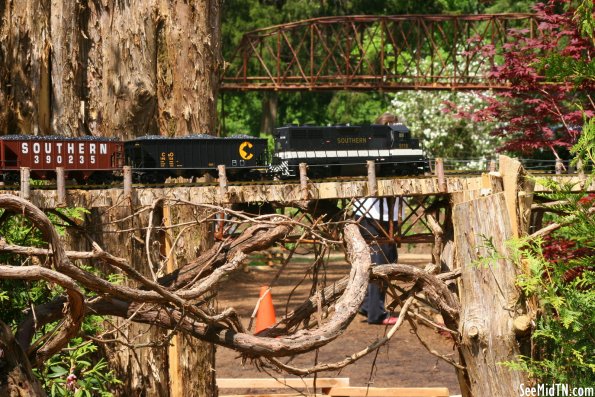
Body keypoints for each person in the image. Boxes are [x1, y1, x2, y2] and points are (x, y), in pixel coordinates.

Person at [355, 112, 401, 325]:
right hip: (374, 214)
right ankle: (376, 313)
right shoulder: (378, 148)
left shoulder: (373, 146)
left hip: (378, 214)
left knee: (383, 259)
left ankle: (367, 307)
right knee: (380, 262)